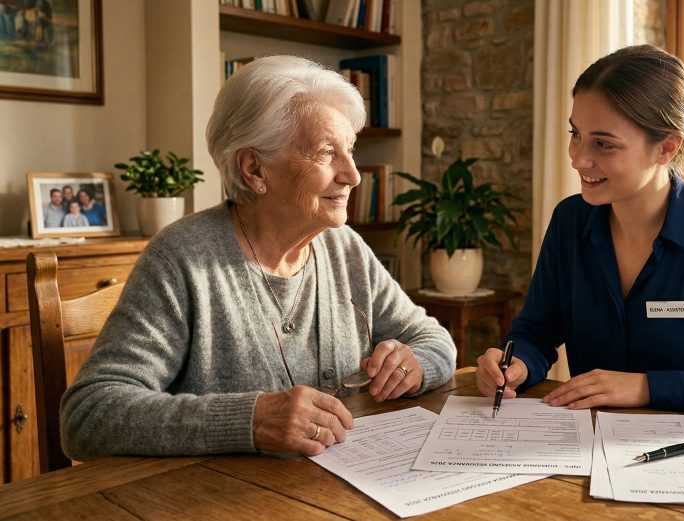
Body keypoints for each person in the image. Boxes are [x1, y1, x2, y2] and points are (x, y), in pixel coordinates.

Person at [61, 56, 456, 459]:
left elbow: (434, 341)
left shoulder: (343, 247)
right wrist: (250, 420)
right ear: (254, 169)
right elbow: (89, 414)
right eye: (326, 153)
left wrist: (415, 364)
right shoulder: (184, 258)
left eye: (350, 151)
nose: (353, 174)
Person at [476, 45, 684, 417]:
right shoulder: (570, 221)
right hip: (584, 451)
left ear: (666, 148)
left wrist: (647, 386)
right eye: (576, 134)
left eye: (603, 144)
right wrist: (516, 363)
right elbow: (536, 333)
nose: (578, 158)